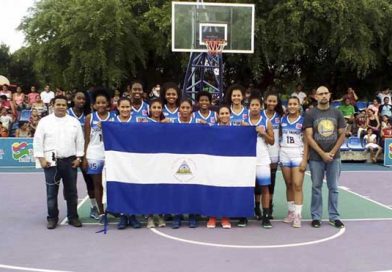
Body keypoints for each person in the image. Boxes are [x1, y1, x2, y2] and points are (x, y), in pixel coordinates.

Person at [33, 95, 84, 229]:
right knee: (51, 192)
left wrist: (79, 158)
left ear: (66, 107)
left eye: (63, 105)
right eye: (58, 104)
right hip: (51, 163)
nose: (61, 107)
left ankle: (73, 217)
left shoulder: (74, 122)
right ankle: (52, 218)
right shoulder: (44, 121)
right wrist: (41, 158)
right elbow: (38, 141)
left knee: (72, 192)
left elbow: (80, 141)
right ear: (52, 106)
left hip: (70, 162)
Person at [304, 86, 346, 229]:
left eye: (325, 93)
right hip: (316, 158)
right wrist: (322, 154)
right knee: (316, 187)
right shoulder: (310, 114)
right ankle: (316, 217)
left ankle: (334, 217)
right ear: (315, 96)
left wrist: (332, 153)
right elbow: (309, 137)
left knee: (333, 187)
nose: (323, 96)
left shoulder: (337, 113)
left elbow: (342, 135)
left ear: (330, 95)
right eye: (320, 94)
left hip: (334, 158)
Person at [83, 88, 116, 224]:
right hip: (94, 153)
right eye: (98, 103)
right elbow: (86, 138)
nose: (101, 105)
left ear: (108, 103)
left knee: (111, 183)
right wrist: (84, 156)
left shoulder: (114, 116)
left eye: (103, 102)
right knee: (97, 184)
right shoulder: (89, 118)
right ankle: (101, 212)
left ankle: (113, 208)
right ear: (94, 104)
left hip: (110, 153)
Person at [67, 91, 98, 220]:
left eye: (83, 99)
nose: (81, 101)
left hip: (86, 153)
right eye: (78, 98)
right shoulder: (67, 113)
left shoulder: (89, 115)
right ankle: (72, 213)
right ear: (73, 99)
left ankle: (94, 207)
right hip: (70, 154)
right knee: (70, 185)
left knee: (90, 181)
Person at [244, 96, 274, 228]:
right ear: (249, 107)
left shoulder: (266, 121)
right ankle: (244, 215)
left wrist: (263, 133)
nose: (255, 107)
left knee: (265, 188)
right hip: (247, 160)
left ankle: (266, 216)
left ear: (260, 106)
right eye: (252, 105)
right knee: (246, 189)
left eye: (257, 105)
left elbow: (272, 141)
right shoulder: (244, 123)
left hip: (262, 159)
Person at [280, 97, 308, 228]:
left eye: (294, 104)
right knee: (289, 184)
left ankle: (298, 215)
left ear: (299, 105)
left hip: (297, 154)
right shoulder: (282, 120)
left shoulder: (303, 121)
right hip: (284, 153)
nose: (291, 106)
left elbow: (307, 141)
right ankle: (291, 211)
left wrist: (305, 159)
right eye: (290, 104)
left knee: (297, 185)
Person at [206, 105, 232, 229]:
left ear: (230, 115)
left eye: (226, 113)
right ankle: (212, 217)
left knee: (226, 191)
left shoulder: (236, 130)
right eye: (222, 113)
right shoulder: (213, 129)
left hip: (229, 165)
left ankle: (225, 217)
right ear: (218, 116)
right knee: (214, 190)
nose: (224, 115)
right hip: (214, 164)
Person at [260, 91, 284, 219]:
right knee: (260, 180)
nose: (271, 103)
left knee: (271, 181)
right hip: (261, 150)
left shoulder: (280, 116)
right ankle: (257, 206)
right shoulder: (260, 115)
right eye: (269, 100)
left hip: (274, 150)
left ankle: (269, 207)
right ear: (265, 101)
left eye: (274, 101)